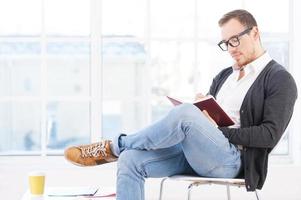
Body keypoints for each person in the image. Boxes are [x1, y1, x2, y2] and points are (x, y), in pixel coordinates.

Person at [64, 9, 297, 200]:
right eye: (226, 43)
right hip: (196, 153)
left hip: (232, 162)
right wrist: (202, 111)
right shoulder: (225, 75)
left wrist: (216, 130)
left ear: (255, 32)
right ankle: (122, 151)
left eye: (235, 39)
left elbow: (269, 135)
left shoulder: (279, 79)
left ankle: (114, 146)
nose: (231, 48)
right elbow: (212, 119)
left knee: (185, 114)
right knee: (130, 160)